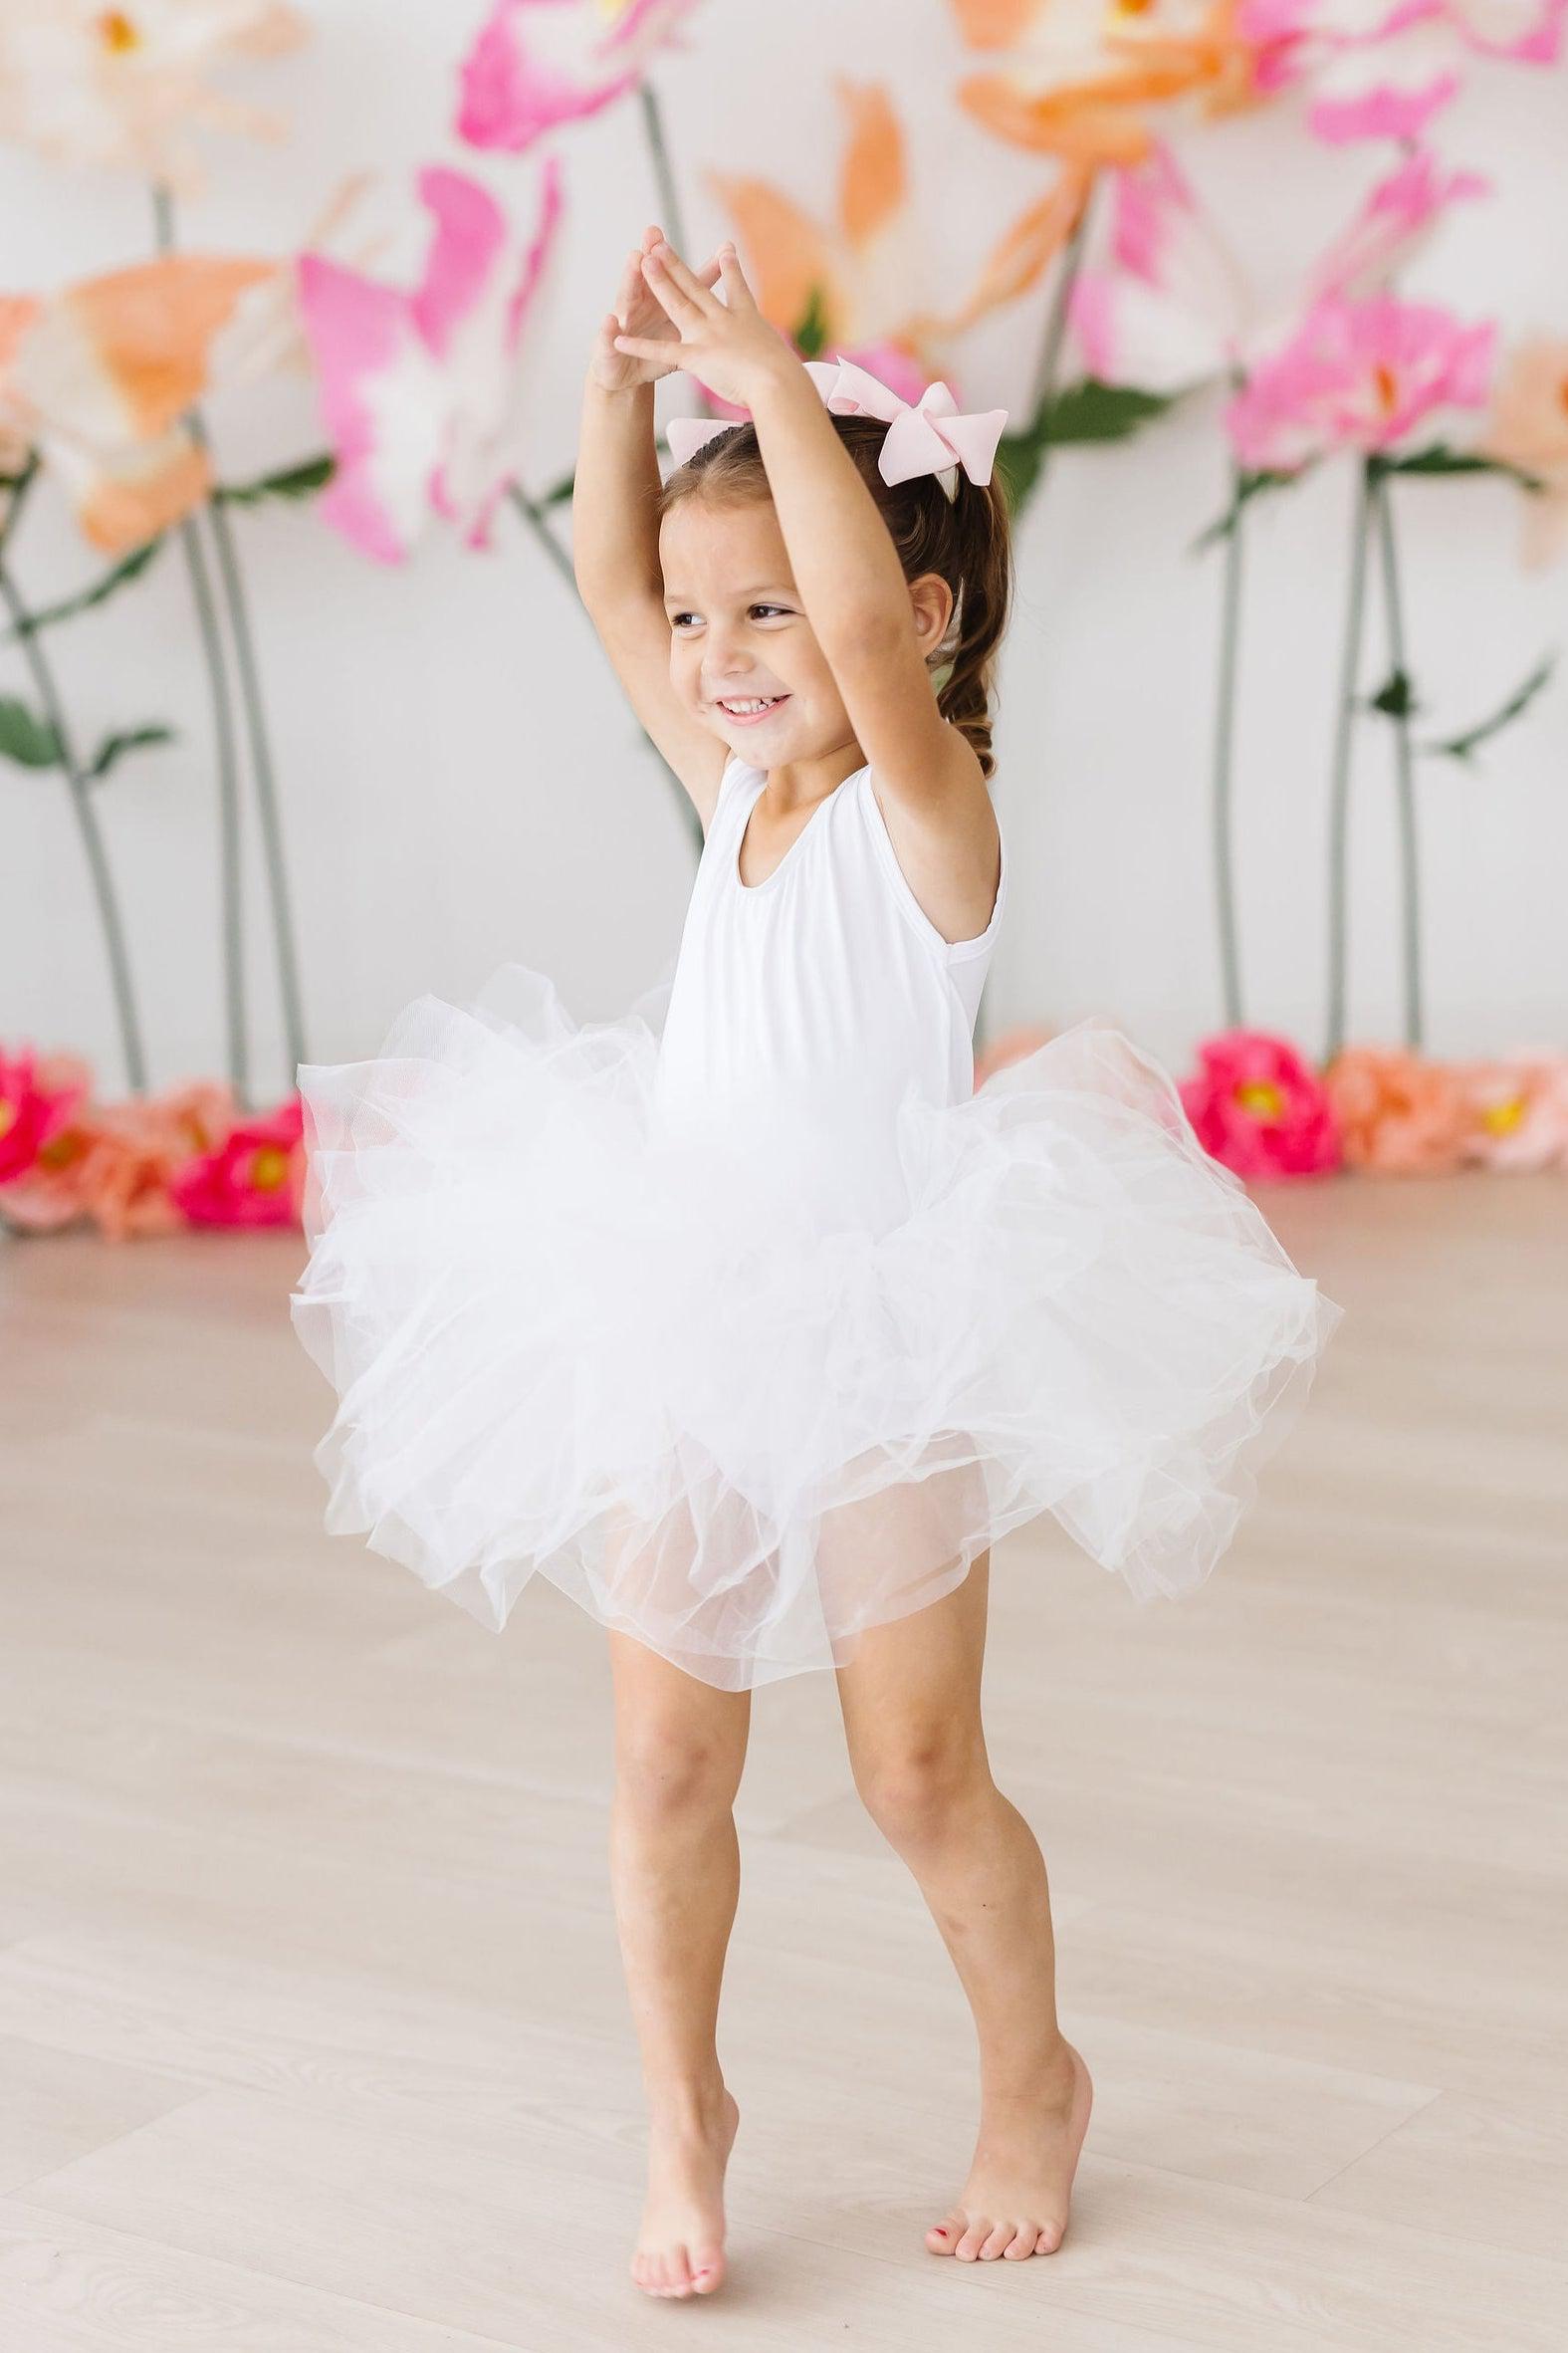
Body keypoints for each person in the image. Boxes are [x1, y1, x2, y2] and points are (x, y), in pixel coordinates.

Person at [290, 222, 1343, 2303]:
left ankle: (1030, 2076)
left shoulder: (923, 822)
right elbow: (607, 587)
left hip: (882, 1328)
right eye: (708, 619)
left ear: (917, 618)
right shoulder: (735, 792)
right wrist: (614, 394)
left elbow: (854, 650)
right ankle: (684, 2113)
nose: (721, 652)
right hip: (680, 1306)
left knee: (910, 1770)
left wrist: (775, 389)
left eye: (766, 607)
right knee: (665, 1758)